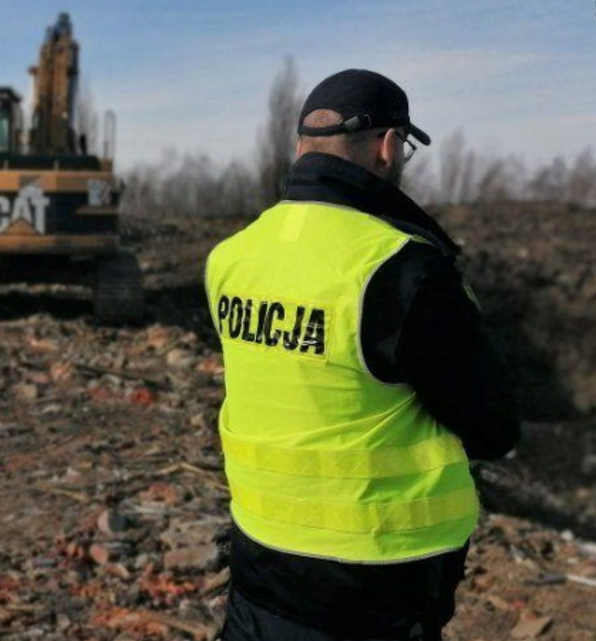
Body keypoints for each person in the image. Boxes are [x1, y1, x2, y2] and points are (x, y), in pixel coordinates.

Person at [204, 69, 520, 641]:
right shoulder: (401, 267)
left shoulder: (232, 256)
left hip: (259, 562)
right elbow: (492, 426)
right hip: (375, 581)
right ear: (389, 145)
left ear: (301, 146)